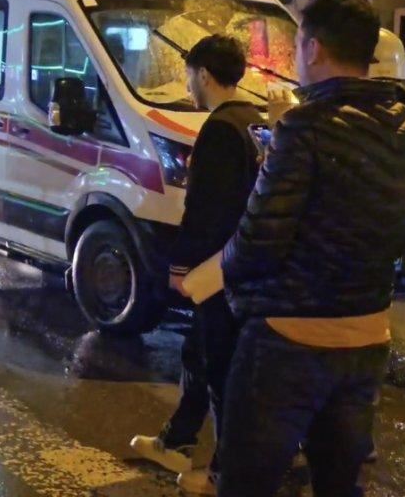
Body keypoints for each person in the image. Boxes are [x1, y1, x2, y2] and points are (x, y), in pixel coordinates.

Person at [218, 0, 405, 497]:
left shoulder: (304, 126)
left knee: (248, 481)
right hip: (367, 334)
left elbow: (256, 241)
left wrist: (232, 288)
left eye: (298, 44)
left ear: (313, 48)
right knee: (339, 482)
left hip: (288, 337)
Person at [130, 36, 263, 495]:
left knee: (220, 365)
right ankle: (177, 441)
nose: (187, 85)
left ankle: (226, 472)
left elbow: (205, 209)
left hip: (217, 268)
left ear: (204, 74)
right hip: (243, 264)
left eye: (189, 75)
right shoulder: (254, 121)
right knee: (199, 353)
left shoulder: (220, 129)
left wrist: (182, 265)